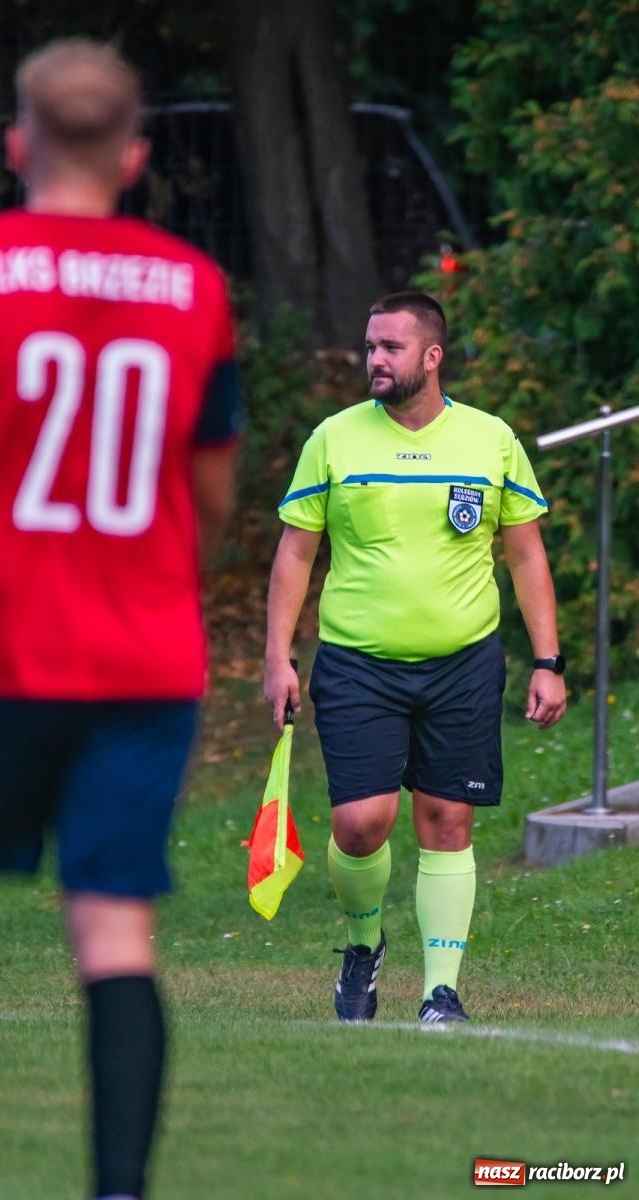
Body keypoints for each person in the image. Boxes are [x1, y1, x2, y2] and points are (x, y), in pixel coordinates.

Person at [0, 38, 240, 1200]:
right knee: (114, 931)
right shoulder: (195, 287)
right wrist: (165, 577)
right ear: (132, 157)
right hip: (143, 659)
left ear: (19, 144)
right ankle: (118, 1193)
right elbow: (210, 484)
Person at [263, 291, 565, 1024]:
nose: (374, 360)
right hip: (358, 662)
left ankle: (441, 993)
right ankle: (364, 949)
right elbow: (296, 553)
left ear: (432, 356)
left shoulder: (490, 439)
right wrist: (277, 657)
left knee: (446, 819)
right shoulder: (334, 439)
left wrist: (548, 660)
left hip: (463, 660)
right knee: (361, 824)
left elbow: (525, 556)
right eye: (369, 347)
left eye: (390, 348)